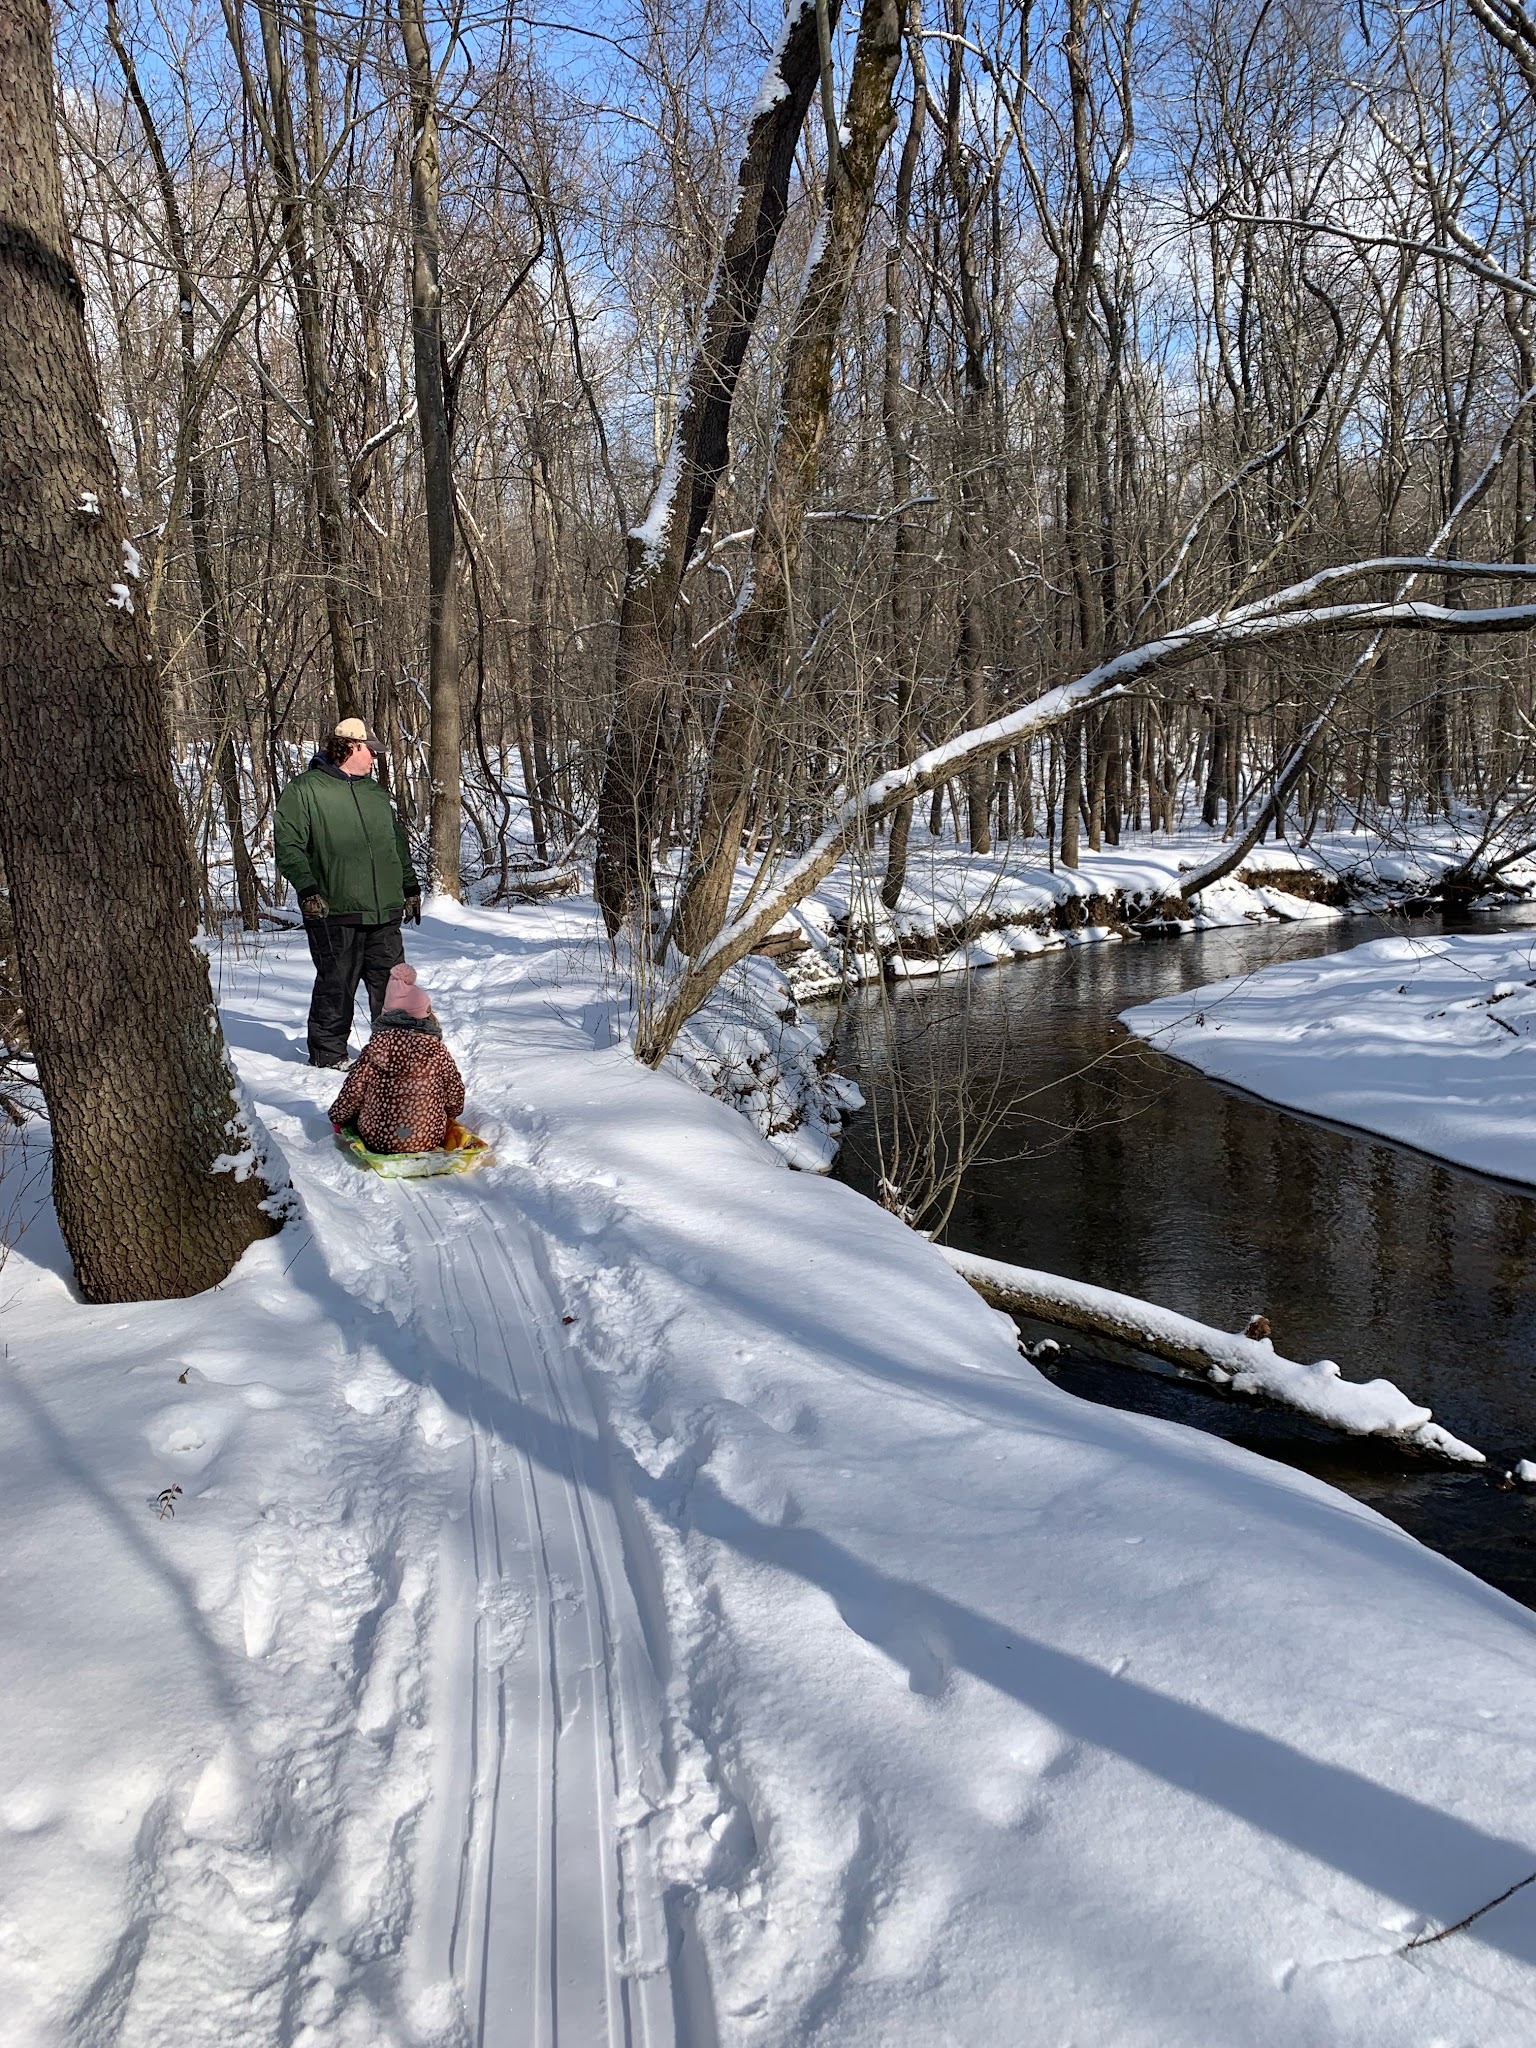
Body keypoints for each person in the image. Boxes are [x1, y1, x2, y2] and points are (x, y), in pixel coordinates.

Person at [274, 716, 422, 1068]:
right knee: (337, 982)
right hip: (333, 908)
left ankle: (393, 1052)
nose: (375, 758)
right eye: (371, 751)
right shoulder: (305, 790)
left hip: (383, 909)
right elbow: (288, 845)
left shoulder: (374, 793)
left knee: (393, 985)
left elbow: (394, 845)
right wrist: (308, 888)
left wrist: (409, 885)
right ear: (352, 747)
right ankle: (328, 1054)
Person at [328, 964, 465, 1154]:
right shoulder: (436, 1050)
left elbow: (353, 1091)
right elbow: (454, 1090)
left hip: (378, 1139)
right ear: (425, 1016)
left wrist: (338, 1118)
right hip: (429, 1138)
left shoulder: (375, 1049)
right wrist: (450, 1113)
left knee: (364, 1106)